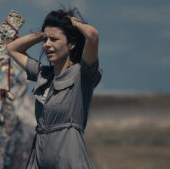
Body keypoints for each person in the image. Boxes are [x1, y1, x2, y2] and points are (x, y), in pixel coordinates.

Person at [6, 8, 102, 169]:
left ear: (71, 44)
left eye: (54, 39)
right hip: (40, 153)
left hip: (68, 156)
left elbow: (92, 35)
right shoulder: (43, 74)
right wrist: (43, 34)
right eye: (46, 40)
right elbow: (12, 49)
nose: (47, 45)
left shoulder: (82, 74)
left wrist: (70, 22)